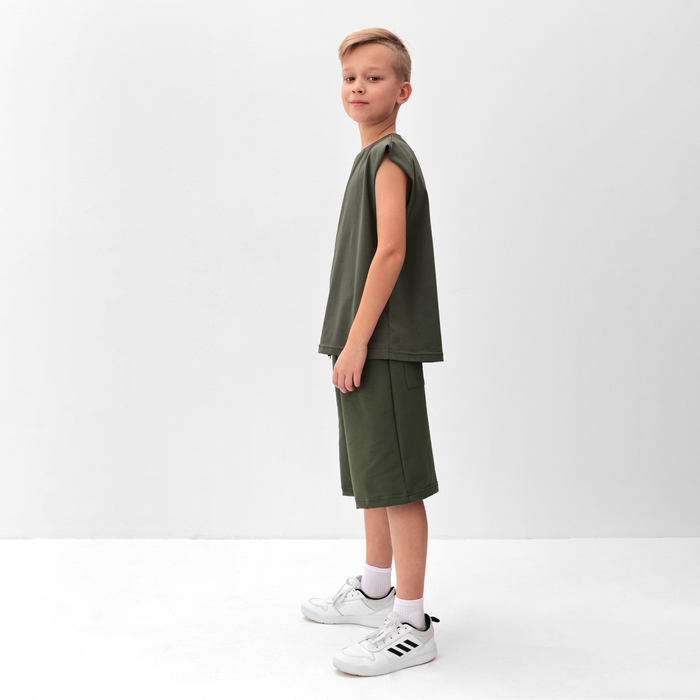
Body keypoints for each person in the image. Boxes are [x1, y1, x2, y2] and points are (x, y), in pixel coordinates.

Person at [301, 28, 444, 677]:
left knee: (399, 484)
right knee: (375, 478)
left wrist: (357, 340)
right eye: (350, 77)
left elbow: (390, 252)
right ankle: (375, 590)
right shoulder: (369, 158)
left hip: (380, 345)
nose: (358, 87)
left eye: (374, 77)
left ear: (403, 91)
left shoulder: (388, 157)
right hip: (363, 343)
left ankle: (411, 624)